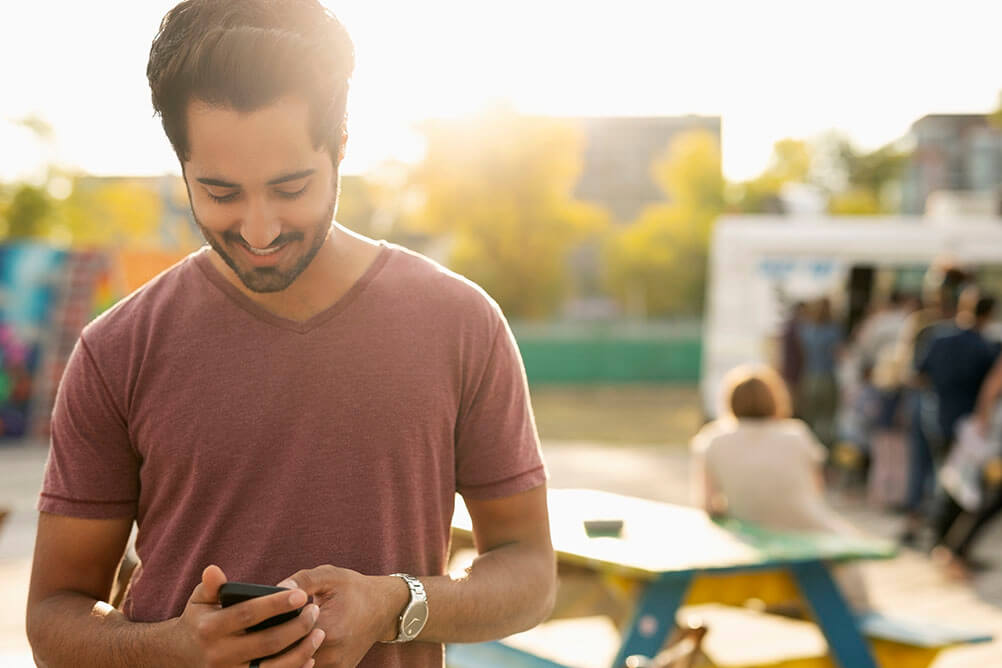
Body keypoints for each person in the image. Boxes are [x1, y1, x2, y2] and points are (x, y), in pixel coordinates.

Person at [25, 2, 556, 667]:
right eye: (219, 192)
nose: (259, 230)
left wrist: (395, 604)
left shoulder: (461, 324)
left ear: (340, 147)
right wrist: (173, 649)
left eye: (290, 187)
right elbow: (52, 620)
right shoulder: (117, 350)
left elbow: (530, 574)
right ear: (181, 165)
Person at [690, 364, 870, 611]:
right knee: (848, 545)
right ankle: (859, 610)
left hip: (754, 539)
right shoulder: (796, 435)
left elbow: (709, 505)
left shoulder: (712, 440)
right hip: (811, 538)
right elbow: (816, 491)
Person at [796, 298, 842, 448]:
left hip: (810, 377)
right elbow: (838, 354)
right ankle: (823, 450)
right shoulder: (833, 331)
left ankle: (808, 448)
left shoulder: (806, 330)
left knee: (810, 418)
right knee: (826, 419)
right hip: (827, 378)